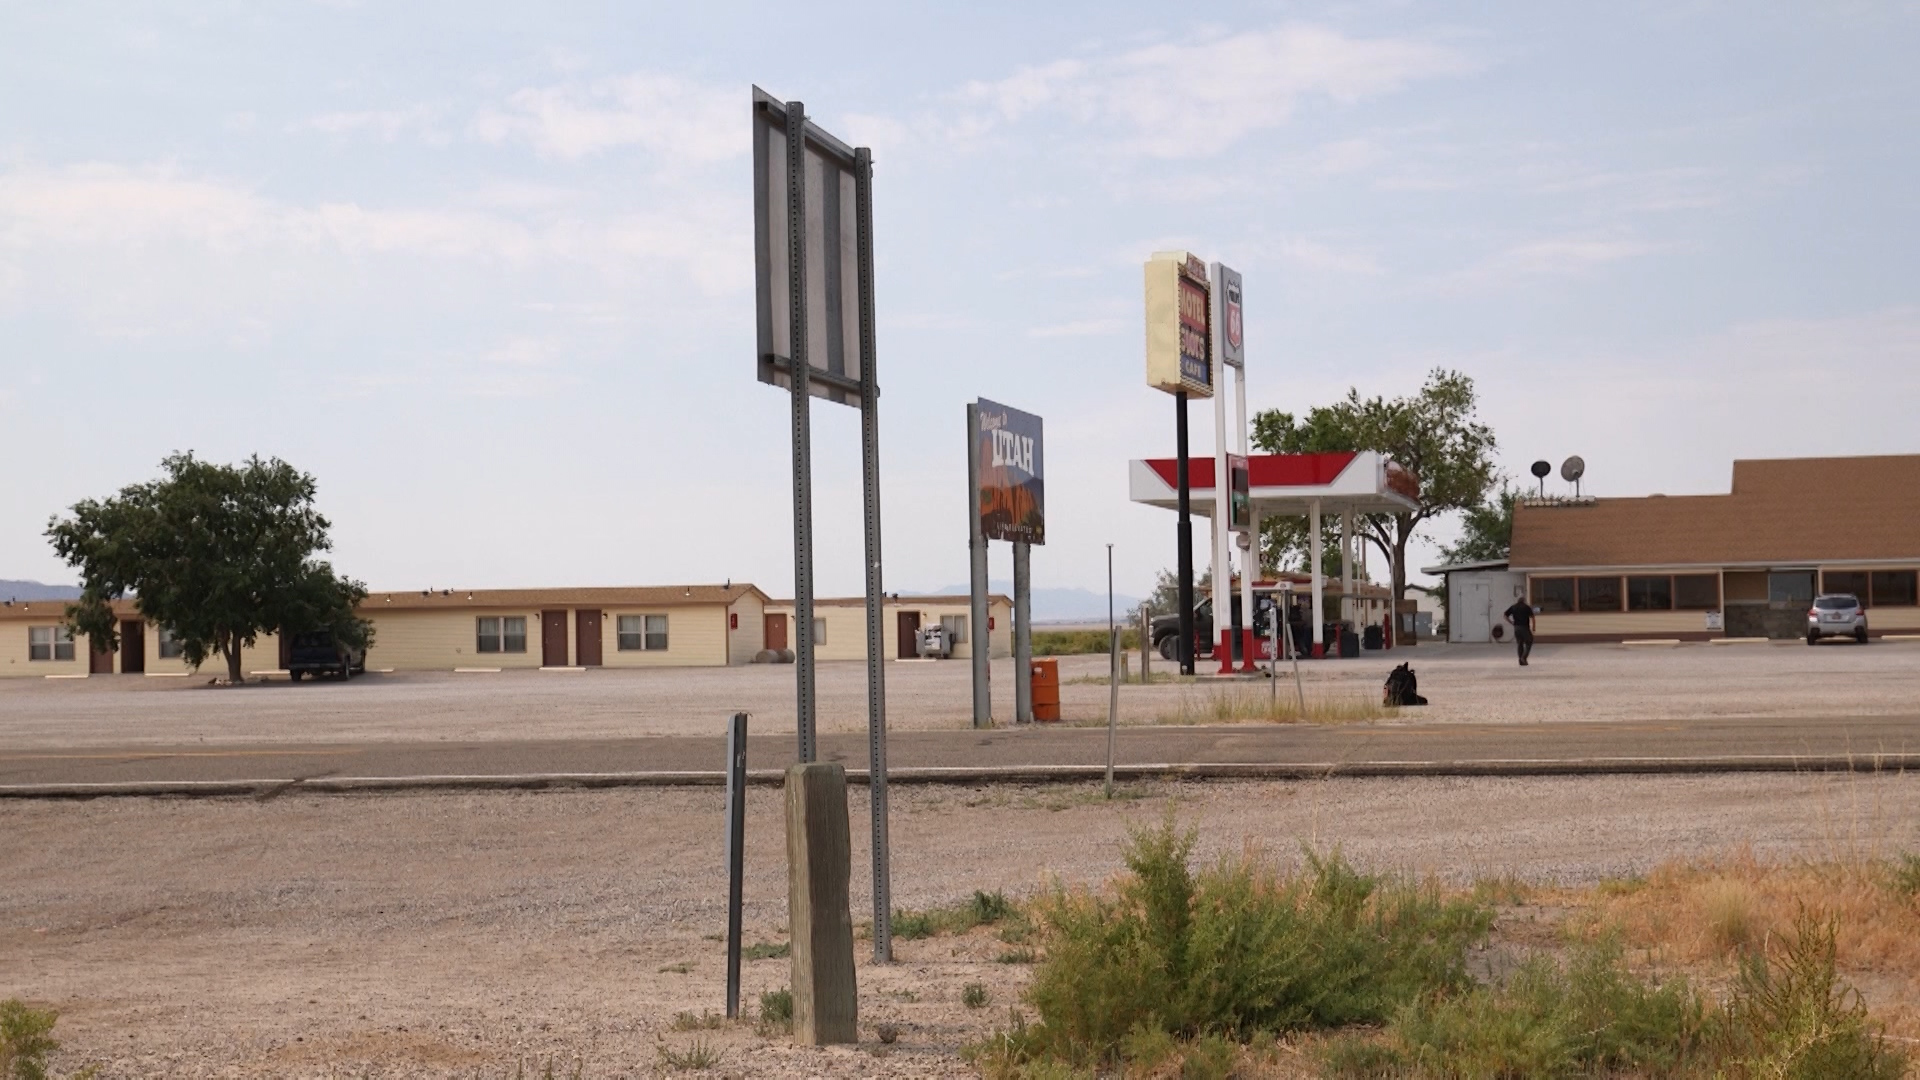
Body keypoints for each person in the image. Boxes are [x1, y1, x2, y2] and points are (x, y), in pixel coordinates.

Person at [1504, 596, 1537, 666]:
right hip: (1524, 627)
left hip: (1516, 627)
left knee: (1520, 643)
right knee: (1529, 641)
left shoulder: (1513, 607)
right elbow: (1533, 617)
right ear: (1524, 601)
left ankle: (1520, 661)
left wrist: (1511, 622)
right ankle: (1523, 657)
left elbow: (1505, 615)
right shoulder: (1526, 607)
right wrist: (1534, 627)